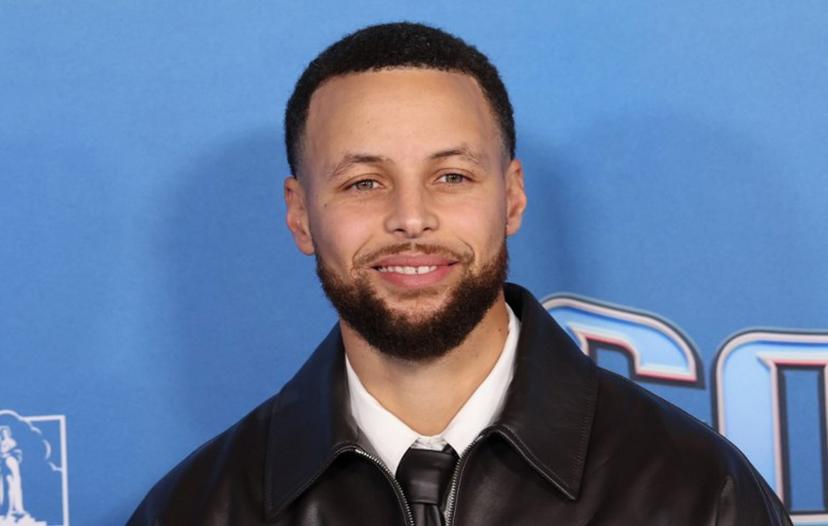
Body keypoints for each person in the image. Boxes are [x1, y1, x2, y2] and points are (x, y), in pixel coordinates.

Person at [128, 22, 792, 525]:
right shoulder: (199, 508)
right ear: (300, 215)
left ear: (513, 196)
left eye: (451, 176)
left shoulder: (698, 494)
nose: (411, 218)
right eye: (364, 182)